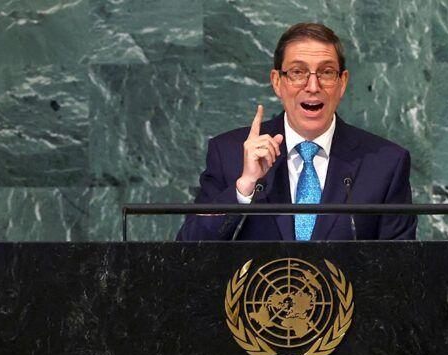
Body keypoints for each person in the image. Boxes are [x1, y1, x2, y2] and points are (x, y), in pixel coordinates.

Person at [177, 23, 417, 241]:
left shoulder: (386, 163)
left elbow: (401, 270)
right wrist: (244, 187)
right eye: (298, 72)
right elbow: (188, 251)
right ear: (277, 82)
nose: (313, 87)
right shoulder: (228, 153)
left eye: (326, 72)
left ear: (342, 82)